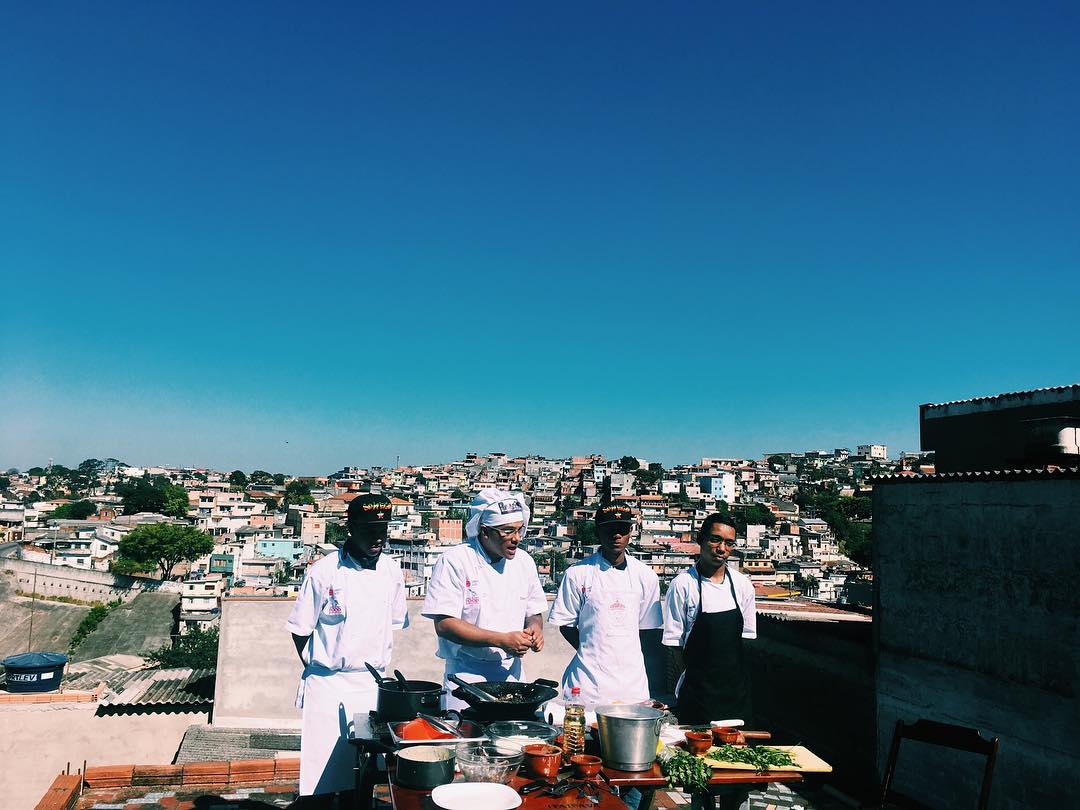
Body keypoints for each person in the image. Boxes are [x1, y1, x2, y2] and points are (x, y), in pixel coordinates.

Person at [286, 493, 408, 803]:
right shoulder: (323, 572)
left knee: (367, 777)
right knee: (326, 783)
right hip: (330, 684)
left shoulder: (392, 572)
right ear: (351, 528)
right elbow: (301, 631)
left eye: (382, 531)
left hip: (372, 683)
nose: (377, 538)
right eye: (369, 531)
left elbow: (391, 624)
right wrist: (321, 663)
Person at [422, 488, 548, 710]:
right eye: (507, 531)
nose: (516, 538)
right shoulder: (456, 561)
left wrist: (535, 629)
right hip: (466, 676)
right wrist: (500, 640)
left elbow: (533, 612)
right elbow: (444, 624)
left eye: (520, 530)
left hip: (512, 675)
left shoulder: (524, 563)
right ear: (484, 531)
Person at [549, 500, 662, 706]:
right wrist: (593, 650)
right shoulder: (577, 574)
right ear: (598, 532)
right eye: (609, 529)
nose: (616, 535)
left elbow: (648, 630)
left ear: (630, 531)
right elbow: (566, 625)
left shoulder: (646, 577)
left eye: (621, 529)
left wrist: (622, 651)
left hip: (632, 685)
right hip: (589, 682)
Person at [662, 514, 756, 725]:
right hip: (698, 697)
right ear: (700, 539)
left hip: (736, 696)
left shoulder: (742, 586)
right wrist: (695, 677)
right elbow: (675, 644)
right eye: (715, 539)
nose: (722, 548)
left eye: (729, 543)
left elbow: (746, 640)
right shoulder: (682, 585)